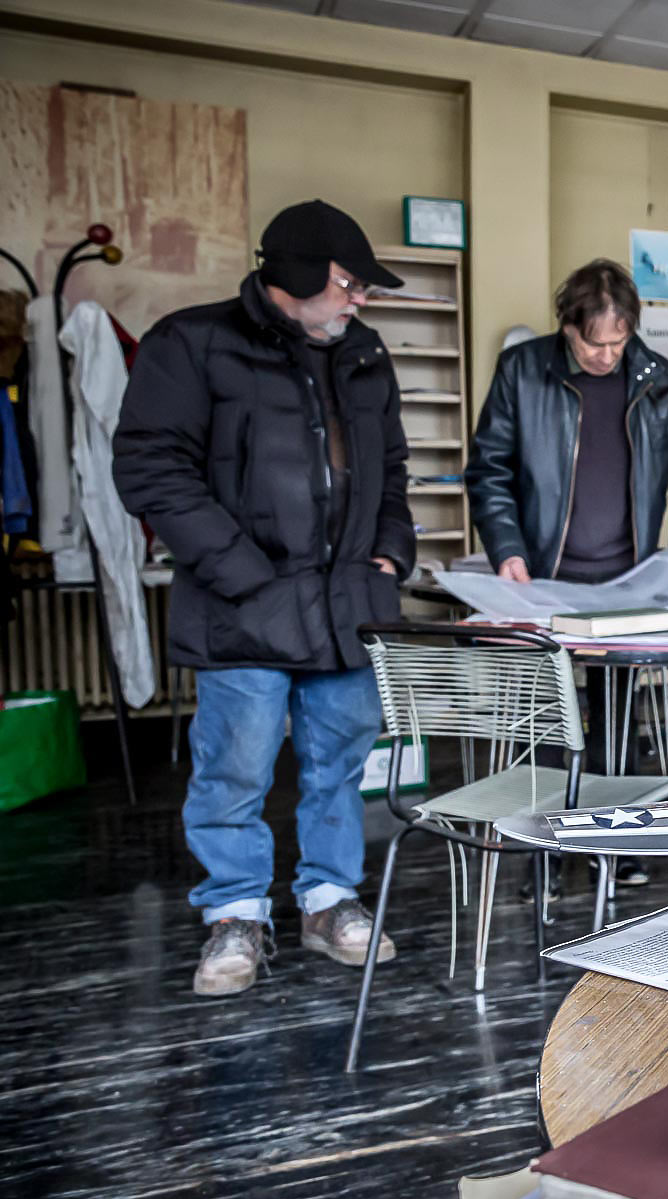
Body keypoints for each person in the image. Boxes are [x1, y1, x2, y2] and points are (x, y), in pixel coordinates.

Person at [113, 200, 415, 997]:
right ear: (299, 274)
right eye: (349, 283)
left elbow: (391, 468)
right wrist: (239, 570)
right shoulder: (192, 343)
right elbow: (150, 467)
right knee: (234, 770)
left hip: (348, 602)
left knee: (338, 765)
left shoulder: (364, 352)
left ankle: (327, 899)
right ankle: (235, 912)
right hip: (242, 604)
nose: (359, 300)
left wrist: (391, 553)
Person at [466, 258, 668, 585]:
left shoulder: (655, 378)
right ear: (568, 327)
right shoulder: (521, 370)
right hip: (543, 576)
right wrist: (507, 549)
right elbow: (489, 472)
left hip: (631, 577)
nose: (607, 357)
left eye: (618, 343)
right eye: (595, 344)